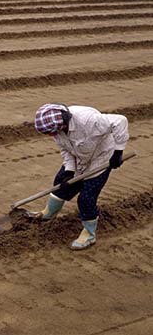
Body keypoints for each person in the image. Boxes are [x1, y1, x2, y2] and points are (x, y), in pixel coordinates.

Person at [33, 103, 129, 250]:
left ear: (63, 123)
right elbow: (65, 149)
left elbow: (120, 121)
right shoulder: (57, 130)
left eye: (53, 133)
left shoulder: (88, 120)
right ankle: (48, 213)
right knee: (60, 182)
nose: (52, 136)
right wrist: (69, 171)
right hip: (80, 157)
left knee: (86, 198)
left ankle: (89, 234)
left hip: (100, 157)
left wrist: (118, 152)